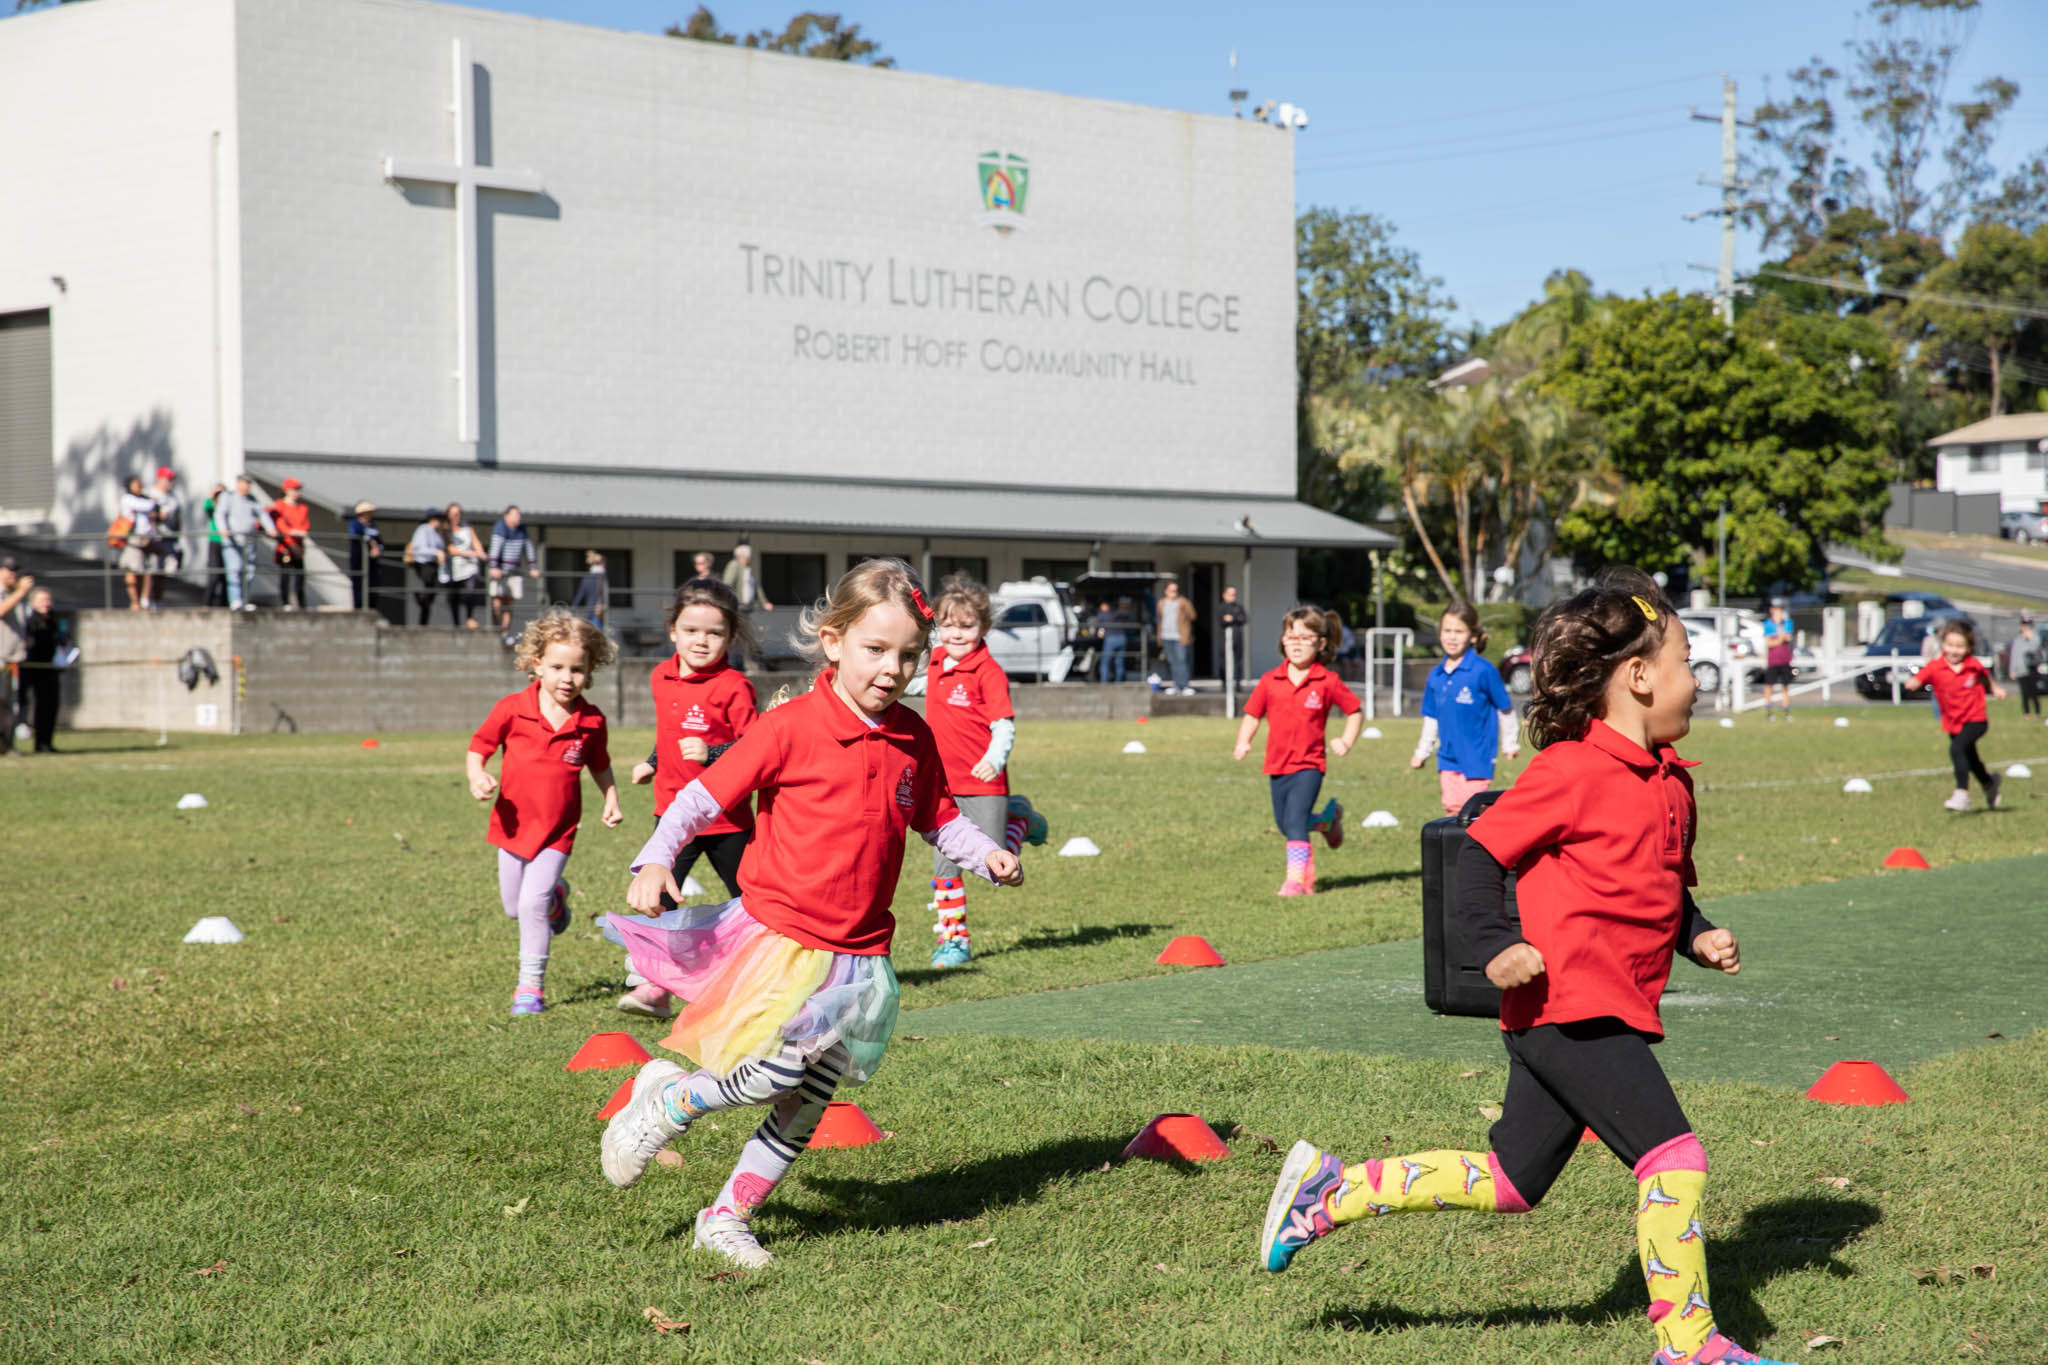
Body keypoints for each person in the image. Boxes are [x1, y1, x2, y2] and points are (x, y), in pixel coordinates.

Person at [1257, 567, 1790, 1365]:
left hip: (1595, 1006)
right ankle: (1688, 1345)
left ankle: (1332, 1190)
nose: (1696, 681)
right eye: (1685, 663)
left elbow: (1657, 885)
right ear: (1639, 677)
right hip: (1569, 1005)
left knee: (1514, 1178)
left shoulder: (1671, 783)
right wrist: (1494, 945)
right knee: (1673, 1156)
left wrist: (1699, 933)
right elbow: (1476, 855)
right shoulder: (1570, 770)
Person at [597, 558, 1022, 1269]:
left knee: (808, 1100)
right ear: (832, 640)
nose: (892, 669)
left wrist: (986, 854)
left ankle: (726, 1217)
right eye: (875, 649)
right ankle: (672, 1102)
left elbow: (939, 817)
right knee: (774, 1073)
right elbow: (700, 798)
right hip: (783, 938)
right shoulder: (789, 727)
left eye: (908, 655)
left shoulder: (913, 736)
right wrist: (656, 858)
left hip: (861, 953)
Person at [467, 610, 623, 1015]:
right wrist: (477, 775)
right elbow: (479, 747)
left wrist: (610, 796)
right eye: (557, 667)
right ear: (536, 664)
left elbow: (599, 764)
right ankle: (557, 898)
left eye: (577, 669)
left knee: (530, 906)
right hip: (512, 828)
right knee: (513, 907)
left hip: (558, 833)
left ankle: (530, 988)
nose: (567, 678)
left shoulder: (591, 721)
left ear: (590, 671)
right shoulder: (512, 709)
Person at [619, 578, 761, 1019]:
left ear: (730, 637)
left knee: (754, 901)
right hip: (671, 814)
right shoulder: (660, 677)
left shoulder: (735, 686)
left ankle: (766, 980)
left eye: (714, 633)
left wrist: (712, 753)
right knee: (656, 898)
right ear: (673, 631)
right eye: (692, 630)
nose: (702, 641)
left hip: (727, 820)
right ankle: (655, 987)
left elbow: (756, 749)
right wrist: (652, 762)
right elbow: (671, 734)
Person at [922, 574, 1049, 967]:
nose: (956, 634)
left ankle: (1020, 819)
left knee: (996, 865)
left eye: (966, 626)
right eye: (948, 625)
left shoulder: (987, 671)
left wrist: (995, 758)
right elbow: (919, 686)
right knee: (946, 865)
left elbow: (1003, 725)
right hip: (943, 784)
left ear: (984, 626)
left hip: (983, 783)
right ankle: (954, 942)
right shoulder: (936, 660)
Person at [1232, 606, 1361, 896]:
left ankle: (1296, 881)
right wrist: (1243, 742)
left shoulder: (1327, 681)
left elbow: (1355, 711)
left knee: (1294, 822)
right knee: (1286, 824)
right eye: (1292, 636)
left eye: (1305, 637)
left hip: (1310, 765)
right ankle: (1326, 822)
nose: (1297, 643)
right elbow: (1252, 715)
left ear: (1321, 643)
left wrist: (1346, 741)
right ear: (1283, 640)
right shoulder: (1269, 680)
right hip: (1277, 765)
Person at [1410, 600, 1520, 816]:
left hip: (1477, 757)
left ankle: (1500, 826)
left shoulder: (1483, 671)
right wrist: (1422, 752)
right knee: (1452, 810)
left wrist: (1510, 743)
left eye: (1458, 631)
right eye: (1447, 631)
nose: (1452, 637)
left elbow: (1505, 709)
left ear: (1473, 636)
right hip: (1447, 758)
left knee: (1469, 811)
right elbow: (1431, 718)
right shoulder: (1436, 675)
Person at [1911, 619, 2006, 812]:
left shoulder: (1972, 665)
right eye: (1950, 645)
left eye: (1960, 646)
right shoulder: (1936, 666)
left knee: (1957, 749)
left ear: (1969, 647)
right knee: (1971, 759)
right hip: (1954, 721)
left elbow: (1985, 676)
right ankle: (1989, 784)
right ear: (1943, 644)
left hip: (1976, 719)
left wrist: (1995, 688)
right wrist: (1913, 682)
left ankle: (1961, 794)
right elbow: (1921, 676)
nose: (1954, 650)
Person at [215, 474, 274, 612]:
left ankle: (245, 599)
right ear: (238, 483)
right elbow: (220, 513)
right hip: (232, 540)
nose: (247, 486)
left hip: (249, 540)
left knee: (249, 571)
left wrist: (270, 528)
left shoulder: (252, 499)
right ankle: (235, 600)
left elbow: (263, 515)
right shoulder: (228, 496)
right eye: (245, 483)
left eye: (249, 483)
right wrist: (223, 528)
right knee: (234, 569)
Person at [486, 505, 540, 644]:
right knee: (497, 604)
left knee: (509, 604)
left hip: (514, 571)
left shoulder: (522, 530)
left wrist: (533, 567)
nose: (518, 517)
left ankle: (505, 634)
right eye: (515, 515)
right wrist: (494, 567)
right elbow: (495, 548)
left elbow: (529, 549)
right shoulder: (500, 528)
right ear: (507, 516)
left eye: (519, 515)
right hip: (500, 572)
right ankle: (497, 630)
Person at [18, 587, 63, 753]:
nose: (47, 603)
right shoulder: (27, 619)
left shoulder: (53, 619)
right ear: (33, 603)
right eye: (43, 600)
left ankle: (44, 743)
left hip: (49, 667)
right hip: (29, 667)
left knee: (49, 705)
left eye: (48, 600)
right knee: (22, 703)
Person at [720, 543, 773, 671]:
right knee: (746, 638)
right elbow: (727, 584)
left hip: (745, 610)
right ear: (744, 556)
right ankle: (752, 665)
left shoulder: (747, 569)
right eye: (749, 556)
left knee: (739, 638)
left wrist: (764, 602)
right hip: (736, 609)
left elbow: (756, 587)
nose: (750, 558)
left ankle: (739, 665)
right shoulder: (734, 565)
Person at [0, 558, 30, 754]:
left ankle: (7, 745)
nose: (13, 574)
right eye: (9, 570)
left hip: (13, 658)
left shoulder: (14, 594)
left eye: (15, 570)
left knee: (9, 703)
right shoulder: (9, 594)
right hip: (0, 656)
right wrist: (21, 592)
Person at [116, 474, 158, 611]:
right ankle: (135, 602)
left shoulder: (142, 498)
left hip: (147, 539)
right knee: (132, 570)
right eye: (137, 485)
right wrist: (153, 502)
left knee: (146, 571)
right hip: (133, 539)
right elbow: (148, 506)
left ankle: (144, 599)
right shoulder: (128, 499)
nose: (140, 487)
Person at [269, 478, 311, 611]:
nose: (297, 493)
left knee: (300, 577)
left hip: (299, 548)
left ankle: (302, 604)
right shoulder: (279, 505)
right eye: (294, 489)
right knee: (285, 576)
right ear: (286, 490)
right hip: (285, 547)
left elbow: (305, 527)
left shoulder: (302, 508)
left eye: (298, 490)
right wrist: (292, 541)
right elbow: (281, 527)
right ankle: (285, 603)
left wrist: (297, 536)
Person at [404, 509, 448, 626]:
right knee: (431, 587)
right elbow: (420, 549)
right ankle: (419, 597)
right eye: (437, 519)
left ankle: (423, 613)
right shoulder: (423, 530)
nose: (439, 521)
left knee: (433, 592)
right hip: (424, 563)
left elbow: (441, 547)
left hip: (433, 565)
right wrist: (436, 552)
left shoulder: (437, 533)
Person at [445, 503, 485, 630]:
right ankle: (456, 623)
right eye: (454, 514)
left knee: (470, 591)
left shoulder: (468, 529)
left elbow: (476, 544)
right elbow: (452, 549)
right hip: (453, 568)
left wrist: (480, 553)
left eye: (458, 514)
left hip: (469, 567)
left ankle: (469, 618)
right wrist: (471, 553)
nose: (457, 516)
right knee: (454, 596)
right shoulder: (445, 530)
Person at [148, 467, 184, 601]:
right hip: (155, 538)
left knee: (166, 571)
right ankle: (147, 599)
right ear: (160, 479)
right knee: (153, 570)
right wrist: (157, 515)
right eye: (168, 479)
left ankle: (158, 600)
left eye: (171, 480)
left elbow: (178, 517)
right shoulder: (151, 494)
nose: (170, 482)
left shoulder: (173, 497)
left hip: (170, 537)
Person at [1156, 579, 1198, 695]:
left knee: (1181, 661)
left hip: (1180, 637)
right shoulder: (1161, 603)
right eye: (1171, 590)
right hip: (1166, 636)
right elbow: (1159, 618)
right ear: (1166, 591)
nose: (1174, 592)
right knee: (1172, 662)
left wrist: (1186, 607)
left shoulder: (1183, 602)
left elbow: (1193, 616)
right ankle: (1176, 685)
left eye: (1175, 590)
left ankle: (1184, 686)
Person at [1760, 600, 1795, 721]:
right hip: (1773, 661)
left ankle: (1786, 712)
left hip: (1785, 660)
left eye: (1779, 609)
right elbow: (1769, 643)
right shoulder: (1768, 624)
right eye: (1776, 609)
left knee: (1785, 687)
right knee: (1769, 686)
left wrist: (1779, 628)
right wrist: (1780, 637)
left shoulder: (1787, 623)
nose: (1778, 612)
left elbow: (1788, 637)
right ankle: (1769, 712)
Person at [346, 501, 383, 611]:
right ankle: (358, 608)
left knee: (373, 585)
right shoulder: (355, 524)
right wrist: (370, 542)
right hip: (358, 560)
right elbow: (356, 535)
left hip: (372, 562)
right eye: (368, 512)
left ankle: (371, 607)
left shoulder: (373, 526)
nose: (370, 515)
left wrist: (378, 549)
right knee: (358, 584)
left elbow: (380, 542)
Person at [2008, 613, 2042, 721]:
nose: (2025, 627)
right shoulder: (2017, 640)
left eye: (2027, 625)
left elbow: (2033, 650)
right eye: (2023, 625)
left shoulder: (2035, 638)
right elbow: (2014, 656)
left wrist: (2030, 638)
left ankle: (2037, 713)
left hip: (2031, 669)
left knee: (2034, 692)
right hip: (2020, 670)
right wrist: (2012, 670)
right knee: (2024, 693)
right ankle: (2026, 714)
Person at [201, 484, 229, 607]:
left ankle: (225, 604)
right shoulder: (214, 507)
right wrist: (212, 495)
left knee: (226, 576)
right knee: (214, 575)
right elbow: (207, 507)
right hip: (215, 542)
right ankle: (207, 603)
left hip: (228, 542)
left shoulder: (228, 507)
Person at [1218, 583, 1249, 689]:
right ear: (1224, 595)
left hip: (1237, 637)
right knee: (1224, 660)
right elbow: (1222, 621)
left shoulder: (1238, 607)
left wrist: (1233, 618)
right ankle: (1224, 682)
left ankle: (1237, 683)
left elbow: (1244, 618)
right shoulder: (1221, 607)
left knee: (1238, 660)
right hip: (1225, 638)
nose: (1233, 597)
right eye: (1230, 594)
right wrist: (1234, 618)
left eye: (1234, 594)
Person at [570, 550, 608, 628]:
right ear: (602, 563)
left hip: (589, 610)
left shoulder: (587, 577)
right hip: (598, 611)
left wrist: (573, 608)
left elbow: (580, 594)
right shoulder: (602, 576)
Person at [1094, 599, 1128, 684]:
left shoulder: (1102, 614)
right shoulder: (1120, 613)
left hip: (1110, 639)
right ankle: (1118, 683)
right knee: (1119, 662)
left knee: (1105, 662)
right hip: (1122, 638)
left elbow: (1098, 629)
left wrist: (1099, 634)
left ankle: (1104, 683)